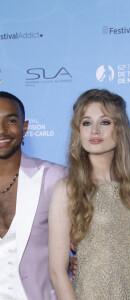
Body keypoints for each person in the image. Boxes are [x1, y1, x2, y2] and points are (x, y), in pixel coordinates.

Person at [49, 89, 130, 300]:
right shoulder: (67, 189)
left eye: (104, 122)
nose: (95, 131)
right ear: (78, 131)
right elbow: (57, 272)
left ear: (120, 129)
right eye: (86, 123)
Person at [0, 91, 66, 299]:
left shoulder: (53, 177)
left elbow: (85, 241)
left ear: (24, 127)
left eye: (10, 120)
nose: (2, 130)